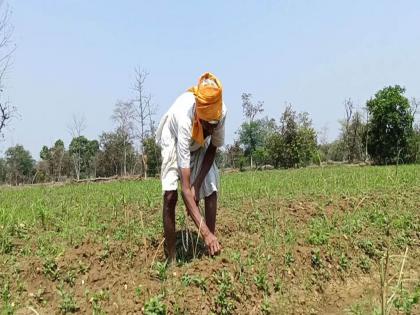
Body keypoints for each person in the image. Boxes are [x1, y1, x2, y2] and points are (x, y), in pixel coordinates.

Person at [155, 72, 227, 262]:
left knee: (211, 186)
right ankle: (172, 257)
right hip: (174, 139)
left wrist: (197, 185)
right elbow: (185, 188)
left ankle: (210, 247)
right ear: (199, 116)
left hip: (198, 143)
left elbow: (212, 148)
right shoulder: (184, 120)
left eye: (214, 125)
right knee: (171, 196)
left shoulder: (219, 114)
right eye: (207, 124)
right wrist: (190, 191)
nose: (212, 129)